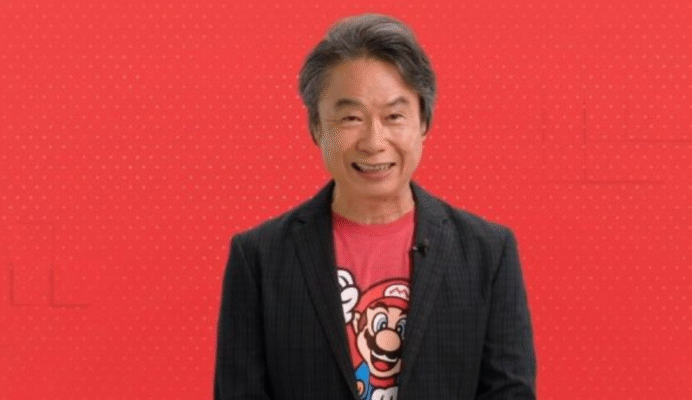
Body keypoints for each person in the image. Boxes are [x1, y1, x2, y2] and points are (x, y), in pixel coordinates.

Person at [213, 13, 536, 400]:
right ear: (316, 127)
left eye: (394, 116)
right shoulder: (258, 258)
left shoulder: (488, 253)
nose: (373, 141)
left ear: (423, 122)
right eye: (351, 117)